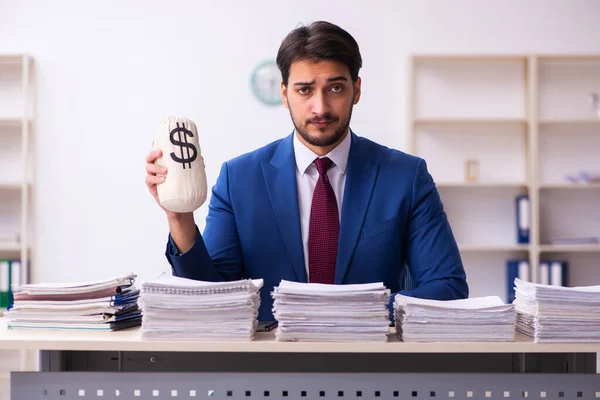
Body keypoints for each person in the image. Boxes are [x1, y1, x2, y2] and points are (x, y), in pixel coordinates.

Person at [145, 21, 468, 322]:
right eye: (305, 90)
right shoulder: (239, 179)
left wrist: (346, 316)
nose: (321, 107)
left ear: (356, 90)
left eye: (336, 88)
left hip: (372, 371)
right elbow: (213, 301)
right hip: (265, 375)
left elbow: (447, 287)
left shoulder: (406, 177)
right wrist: (179, 218)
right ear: (285, 94)